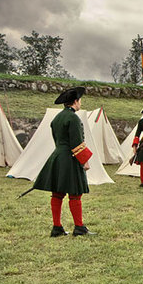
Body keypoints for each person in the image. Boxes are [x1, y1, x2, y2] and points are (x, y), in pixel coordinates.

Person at [32, 87, 95, 237]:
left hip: (58, 157)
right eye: (80, 100)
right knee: (75, 194)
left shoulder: (57, 118)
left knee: (57, 193)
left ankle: (57, 227)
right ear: (75, 101)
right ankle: (79, 227)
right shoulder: (73, 118)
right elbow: (76, 142)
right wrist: (84, 160)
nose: (80, 103)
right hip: (70, 158)